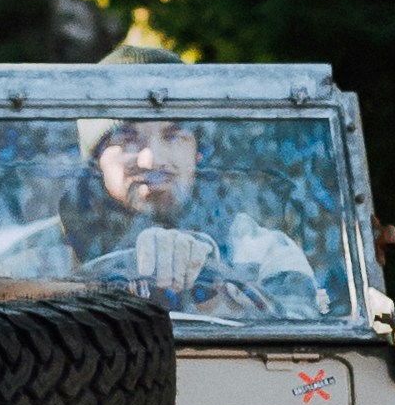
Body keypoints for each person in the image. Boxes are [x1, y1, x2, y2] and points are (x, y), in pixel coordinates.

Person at [52, 112, 322, 315]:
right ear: (96, 159)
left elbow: (304, 345)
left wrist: (214, 285)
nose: (152, 160)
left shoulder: (262, 253)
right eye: (127, 138)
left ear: (198, 153)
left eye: (173, 136)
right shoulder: (40, 253)